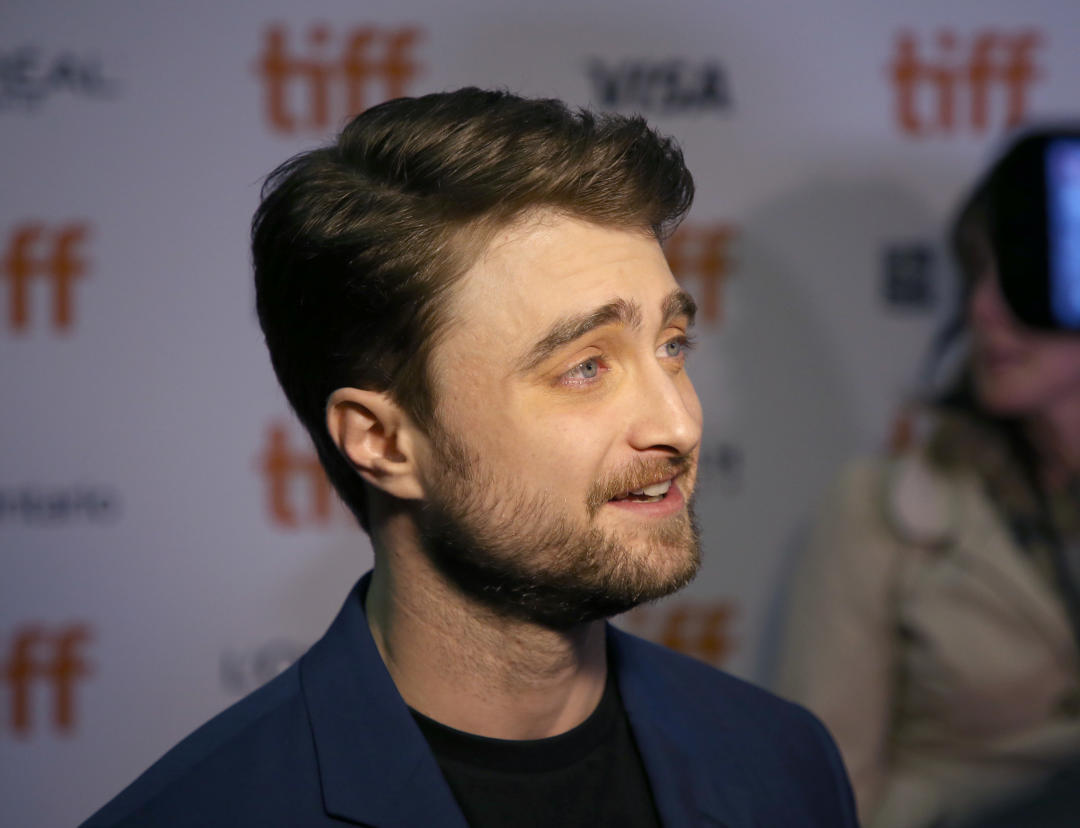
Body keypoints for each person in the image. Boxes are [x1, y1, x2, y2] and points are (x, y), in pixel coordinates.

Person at [82, 88, 857, 828]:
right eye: (585, 367)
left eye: (672, 345)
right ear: (382, 442)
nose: (680, 424)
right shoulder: (200, 814)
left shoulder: (782, 763)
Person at [776, 192, 1080, 828]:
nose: (983, 309)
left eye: (1023, 277)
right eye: (977, 276)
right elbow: (818, 798)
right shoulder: (878, 510)